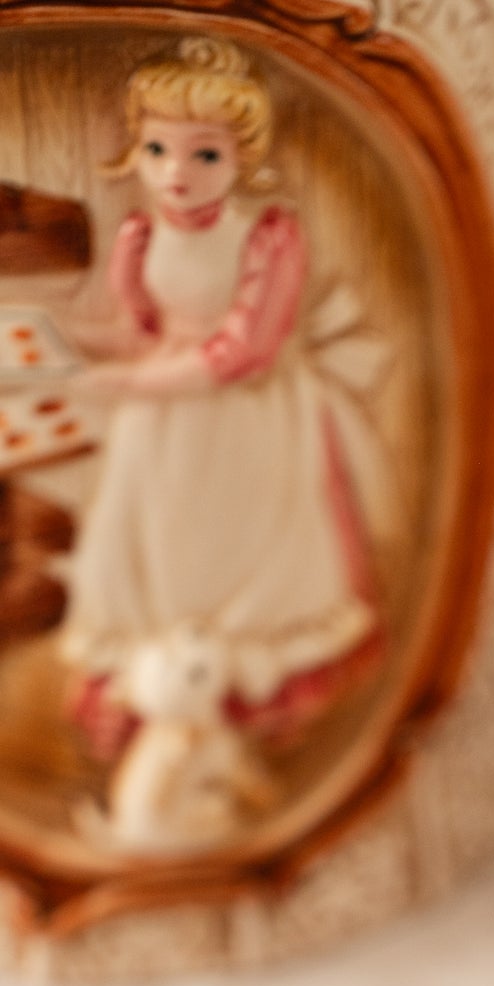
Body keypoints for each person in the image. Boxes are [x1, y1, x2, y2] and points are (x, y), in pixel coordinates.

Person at [64, 35, 381, 781]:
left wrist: (127, 386)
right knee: (157, 547)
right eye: (157, 150)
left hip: (247, 414)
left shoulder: (267, 238)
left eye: (204, 155)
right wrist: (62, 346)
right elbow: (135, 330)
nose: (177, 174)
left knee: (238, 545)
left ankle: (248, 697)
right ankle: (160, 701)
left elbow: (241, 351)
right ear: (135, 153)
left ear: (242, 161)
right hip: (162, 420)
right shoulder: (140, 237)